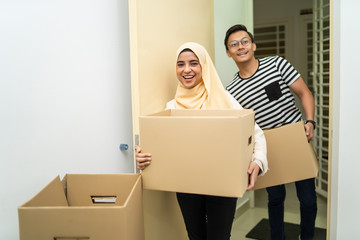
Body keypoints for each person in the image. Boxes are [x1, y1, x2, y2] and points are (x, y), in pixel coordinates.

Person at [136, 42, 268, 240]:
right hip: (187, 186)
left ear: (204, 66)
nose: (186, 70)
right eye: (180, 64)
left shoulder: (225, 99)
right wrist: (144, 155)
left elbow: (255, 133)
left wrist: (257, 162)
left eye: (193, 63)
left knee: (219, 236)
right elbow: (164, 145)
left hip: (222, 184)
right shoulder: (172, 107)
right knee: (195, 235)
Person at [224, 24, 317, 240]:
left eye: (245, 41)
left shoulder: (277, 64)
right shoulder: (231, 91)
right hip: (267, 147)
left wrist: (310, 122)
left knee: (308, 199)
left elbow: (305, 93)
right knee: (275, 199)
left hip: (295, 139)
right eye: (234, 44)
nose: (241, 47)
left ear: (253, 45)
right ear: (228, 53)